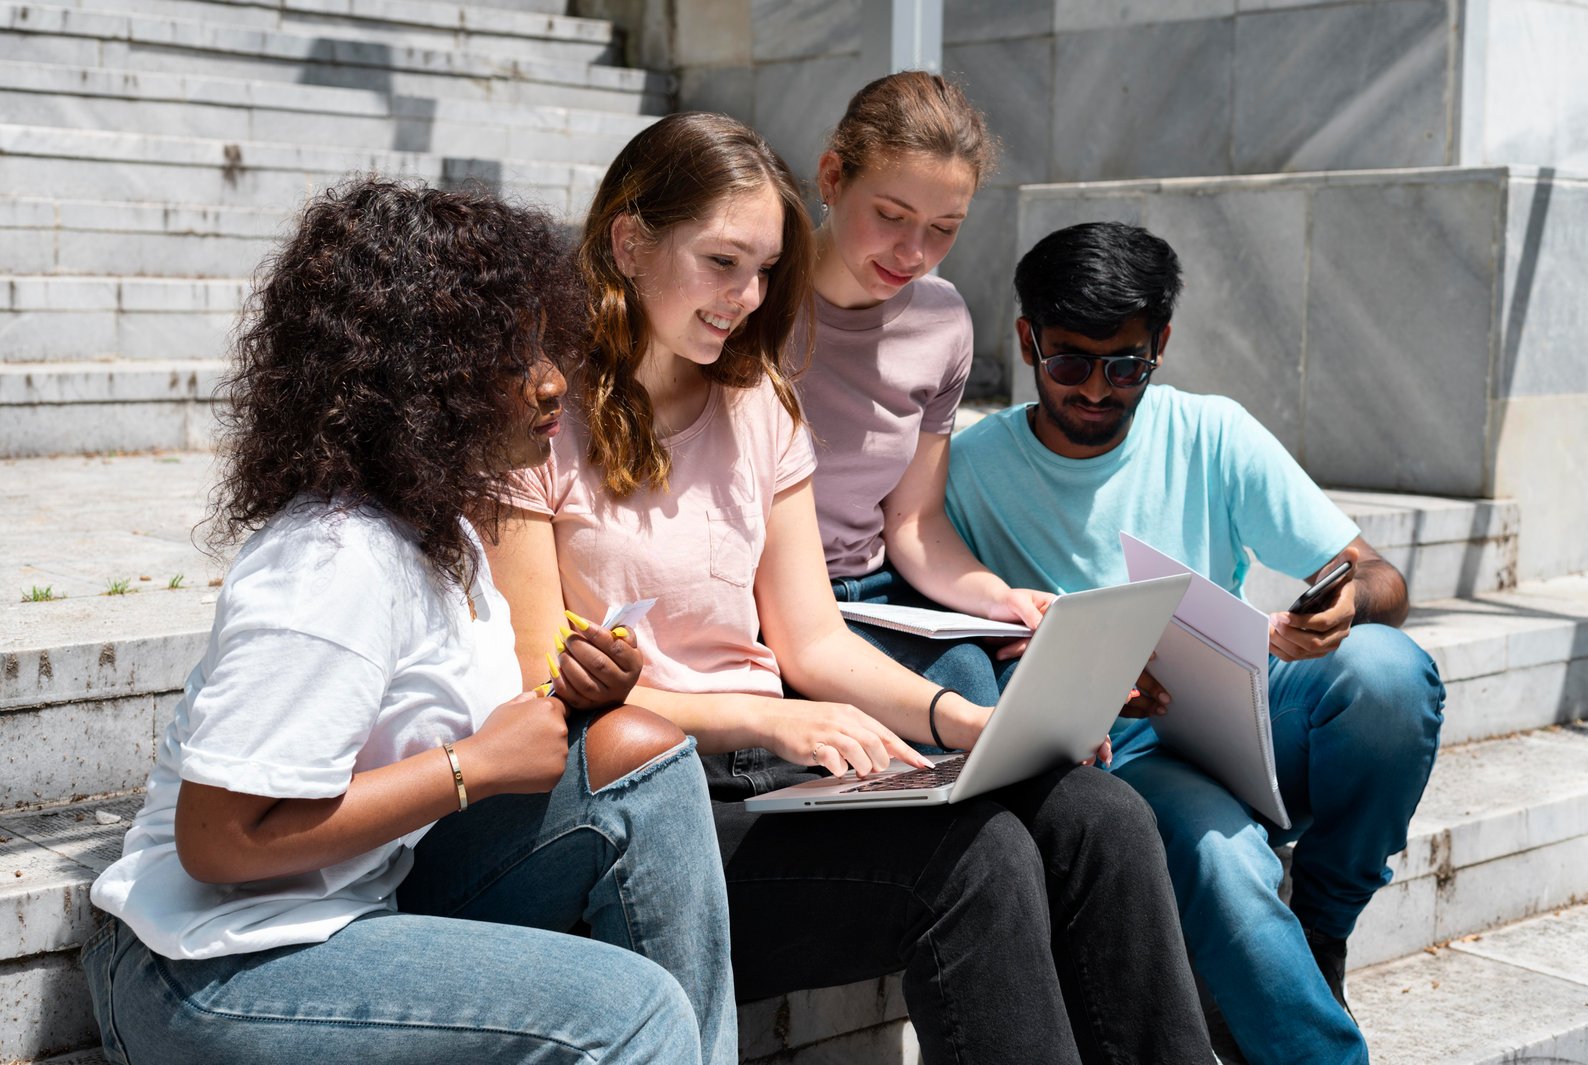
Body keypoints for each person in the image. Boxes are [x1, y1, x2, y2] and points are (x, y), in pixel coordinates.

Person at [486, 110, 1215, 1065]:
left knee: (1099, 815)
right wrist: (769, 720)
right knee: (975, 860)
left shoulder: (757, 404)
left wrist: (967, 721)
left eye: (765, 270)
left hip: (776, 775)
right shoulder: (536, 419)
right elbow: (538, 682)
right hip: (651, 806)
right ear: (629, 241)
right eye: (722, 263)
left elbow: (816, 644)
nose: (749, 298)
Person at [80, 179, 737, 1065]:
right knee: (627, 1009)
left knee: (643, 762)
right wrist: (474, 768)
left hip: (358, 899)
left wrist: (571, 699)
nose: (552, 382)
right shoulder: (334, 562)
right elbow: (215, 839)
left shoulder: (445, 532)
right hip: (210, 968)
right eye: (512, 358)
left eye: (549, 345)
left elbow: (441, 730)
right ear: (414, 378)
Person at [944, 220, 1447, 1065]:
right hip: (1124, 752)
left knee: (1390, 672)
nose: (1097, 390)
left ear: (1161, 346)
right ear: (1027, 339)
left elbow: (1383, 576)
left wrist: (1345, 603)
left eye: (1125, 365)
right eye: (1068, 361)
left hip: (1247, 703)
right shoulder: (970, 470)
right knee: (1225, 863)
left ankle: (1322, 921)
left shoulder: (1211, 431)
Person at [801, 71, 1049, 706]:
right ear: (832, 178)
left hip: (873, 597)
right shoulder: (748, 297)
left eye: (945, 227)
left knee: (991, 683)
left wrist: (1001, 597)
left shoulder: (943, 321)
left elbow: (913, 518)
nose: (913, 251)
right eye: (891, 215)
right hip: (762, 610)